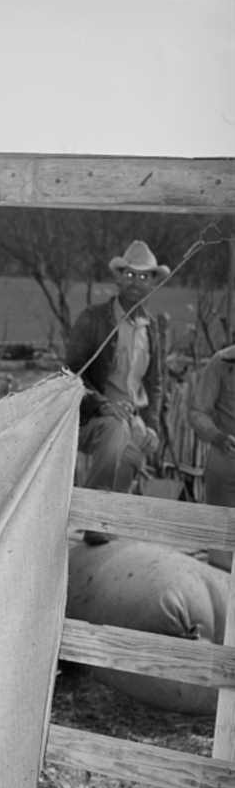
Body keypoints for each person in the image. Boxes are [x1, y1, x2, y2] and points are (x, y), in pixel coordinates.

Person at [66, 239, 169, 542]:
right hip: (94, 415)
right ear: (118, 277)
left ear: (153, 282)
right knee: (115, 432)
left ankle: (109, 525)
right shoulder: (94, 319)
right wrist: (101, 404)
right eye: (130, 275)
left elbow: (156, 383)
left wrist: (151, 424)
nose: (136, 282)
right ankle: (93, 518)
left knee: (135, 450)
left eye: (144, 276)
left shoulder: (152, 328)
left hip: (133, 417)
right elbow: (71, 374)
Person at [188, 341, 235, 569]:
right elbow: (198, 412)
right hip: (227, 456)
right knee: (220, 555)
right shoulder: (222, 362)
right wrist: (218, 437)